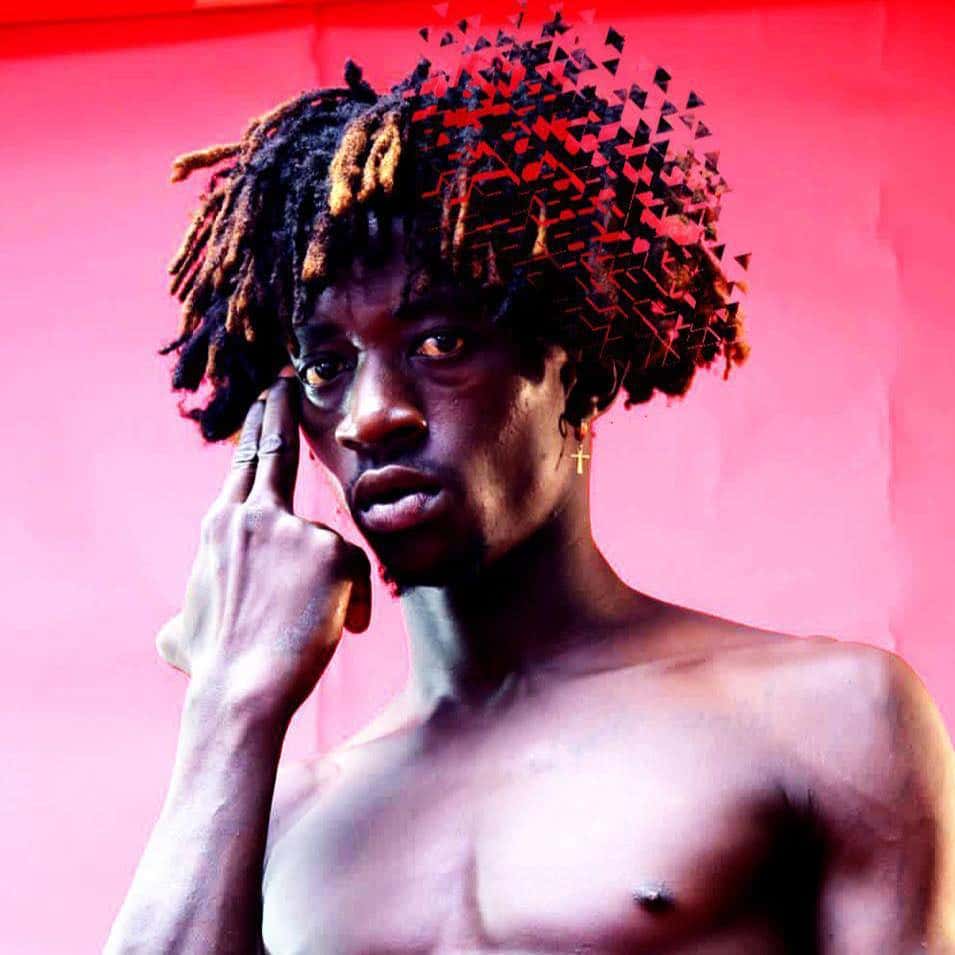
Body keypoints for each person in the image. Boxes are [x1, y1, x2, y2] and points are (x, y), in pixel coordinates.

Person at [105, 15, 955, 954]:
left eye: (442, 342)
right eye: (325, 367)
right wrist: (228, 699)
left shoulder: (822, 717)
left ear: (576, 374)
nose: (370, 416)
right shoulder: (276, 826)